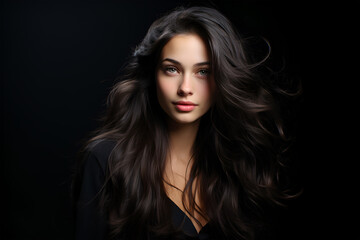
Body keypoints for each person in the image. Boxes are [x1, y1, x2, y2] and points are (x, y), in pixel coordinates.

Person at [72, 6, 300, 240]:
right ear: (153, 75)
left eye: (203, 72)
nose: (185, 88)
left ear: (223, 77)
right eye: (172, 69)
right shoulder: (105, 161)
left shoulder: (237, 165)